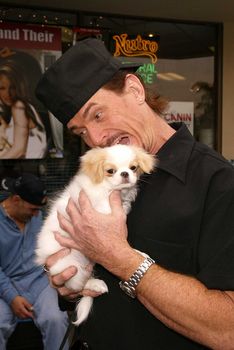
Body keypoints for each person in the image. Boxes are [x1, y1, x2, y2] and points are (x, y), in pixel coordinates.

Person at [36, 38, 234, 350]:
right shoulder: (97, 176)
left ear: (135, 90)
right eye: (81, 131)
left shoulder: (219, 183)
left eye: (97, 115)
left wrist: (120, 259)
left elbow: (228, 329)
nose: (97, 137)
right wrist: (70, 285)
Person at [0, 173, 69, 350]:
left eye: (39, 209)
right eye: (32, 209)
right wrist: (12, 297)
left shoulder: (37, 216)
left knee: (56, 319)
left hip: (40, 282)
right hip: (6, 283)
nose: (37, 214)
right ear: (16, 199)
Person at [0, 61, 47, 158]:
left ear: (19, 86)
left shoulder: (19, 106)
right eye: (2, 88)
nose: (8, 93)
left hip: (31, 166)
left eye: (12, 87)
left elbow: (19, 150)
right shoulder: (15, 108)